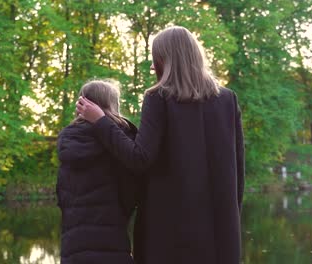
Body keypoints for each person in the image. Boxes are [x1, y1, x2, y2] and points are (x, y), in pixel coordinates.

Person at [76, 26, 245, 264]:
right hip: (221, 234)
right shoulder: (227, 99)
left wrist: (101, 122)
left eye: (156, 59)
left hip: (170, 235)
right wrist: (232, 220)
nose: (153, 67)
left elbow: (140, 158)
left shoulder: (159, 97)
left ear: (166, 60)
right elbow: (238, 171)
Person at [56, 80, 139, 264]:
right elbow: (131, 195)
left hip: (73, 250)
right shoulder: (120, 142)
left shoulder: (69, 141)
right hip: (112, 246)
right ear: (113, 105)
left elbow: (62, 197)